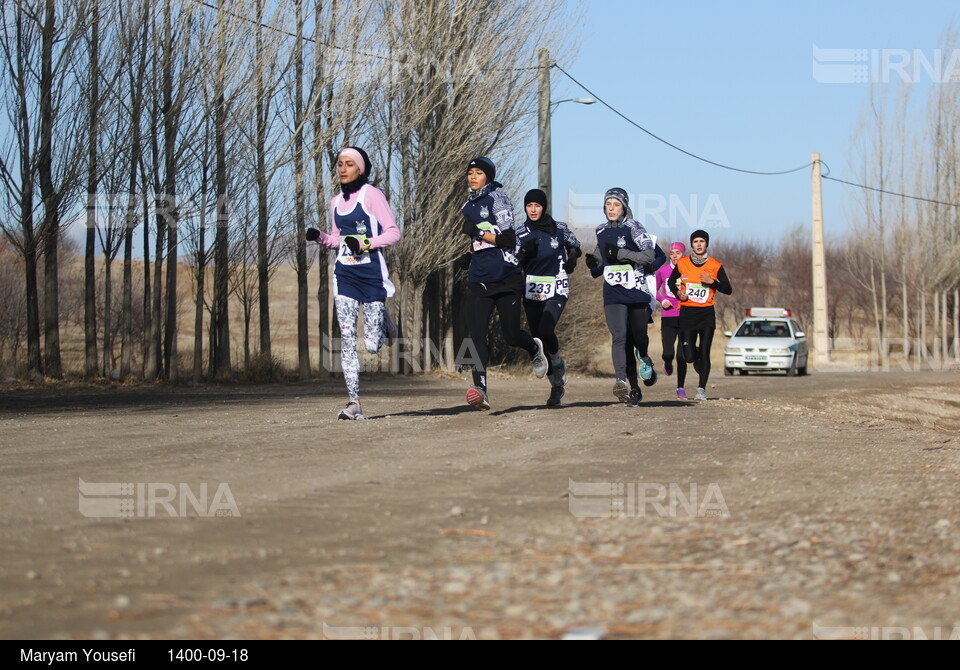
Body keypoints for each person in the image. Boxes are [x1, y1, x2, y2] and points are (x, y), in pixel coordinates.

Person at [306, 147, 399, 420]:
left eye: (349, 164)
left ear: (361, 169)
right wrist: (320, 237)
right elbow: (338, 240)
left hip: (371, 276)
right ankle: (354, 403)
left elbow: (394, 233)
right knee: (347, 340)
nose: (343, 169)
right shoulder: (336, 202)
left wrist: (366, 243)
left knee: (371, 345)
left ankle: (385, 321)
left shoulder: (372, 195)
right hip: (345, 276)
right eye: (339, 164)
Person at [460, 157, 548, 411]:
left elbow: (508, 239)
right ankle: (481, 390)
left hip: (505, 276)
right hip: (479, 278)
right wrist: (468, 255)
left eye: (478, 173)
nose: (473, 176)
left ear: (488, 176)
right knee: (476, 334)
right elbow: (481, 241)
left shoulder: (499, 200)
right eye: (470, 173)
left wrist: (476, 231)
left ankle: (533, 346)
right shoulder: (468, 205)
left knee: (511, 336)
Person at [585, 188, 665, 405]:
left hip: (637, 290)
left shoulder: (634, 226)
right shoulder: (601, 231)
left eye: (616, 204)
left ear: (624, 207)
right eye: (608, 204)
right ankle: (625, 383)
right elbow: (602, 257)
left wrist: (622, 254)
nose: (611, 208)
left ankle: (645, 357)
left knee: (638, 338)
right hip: (613, 291)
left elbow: (650, 255)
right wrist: (593, 262)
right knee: (620, 337)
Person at [516, 189, 582, 406]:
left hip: (557, 286)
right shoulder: (520, 233)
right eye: (529, 206)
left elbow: (575, 245)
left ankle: (557, 361)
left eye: (537, 205)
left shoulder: (559, 228)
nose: (533, 210)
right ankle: (556, 387)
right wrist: (523, 253)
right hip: (532, 289)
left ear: (544, 207)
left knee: (546, 328)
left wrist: (571, 258)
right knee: (538, 339)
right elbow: (513, 263)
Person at [669, 229, 733, 401]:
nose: (698, 244)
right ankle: (694, 353)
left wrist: (713, 282)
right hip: (687, 313)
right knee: (689, 356)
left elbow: (728, 289)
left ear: (706, 244)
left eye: (702, 241)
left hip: (706, 313)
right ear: (691, 244)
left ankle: (701, 389)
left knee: (705, 351)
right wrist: (678, 293)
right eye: (695, 241)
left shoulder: (715, 265)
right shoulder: (682, 263)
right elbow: (670, 281)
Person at [656, 242, 689, 399]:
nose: (675, 256)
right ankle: (667, 363)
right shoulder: (663, 271)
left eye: (678, 253)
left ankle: (680, 387)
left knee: (682, 356)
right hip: (668, 315)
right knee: (668, 353)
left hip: (685, 315)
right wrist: (662, 301)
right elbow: (653, 289)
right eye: (672, 253)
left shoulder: (688, 270)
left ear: (683, 254)